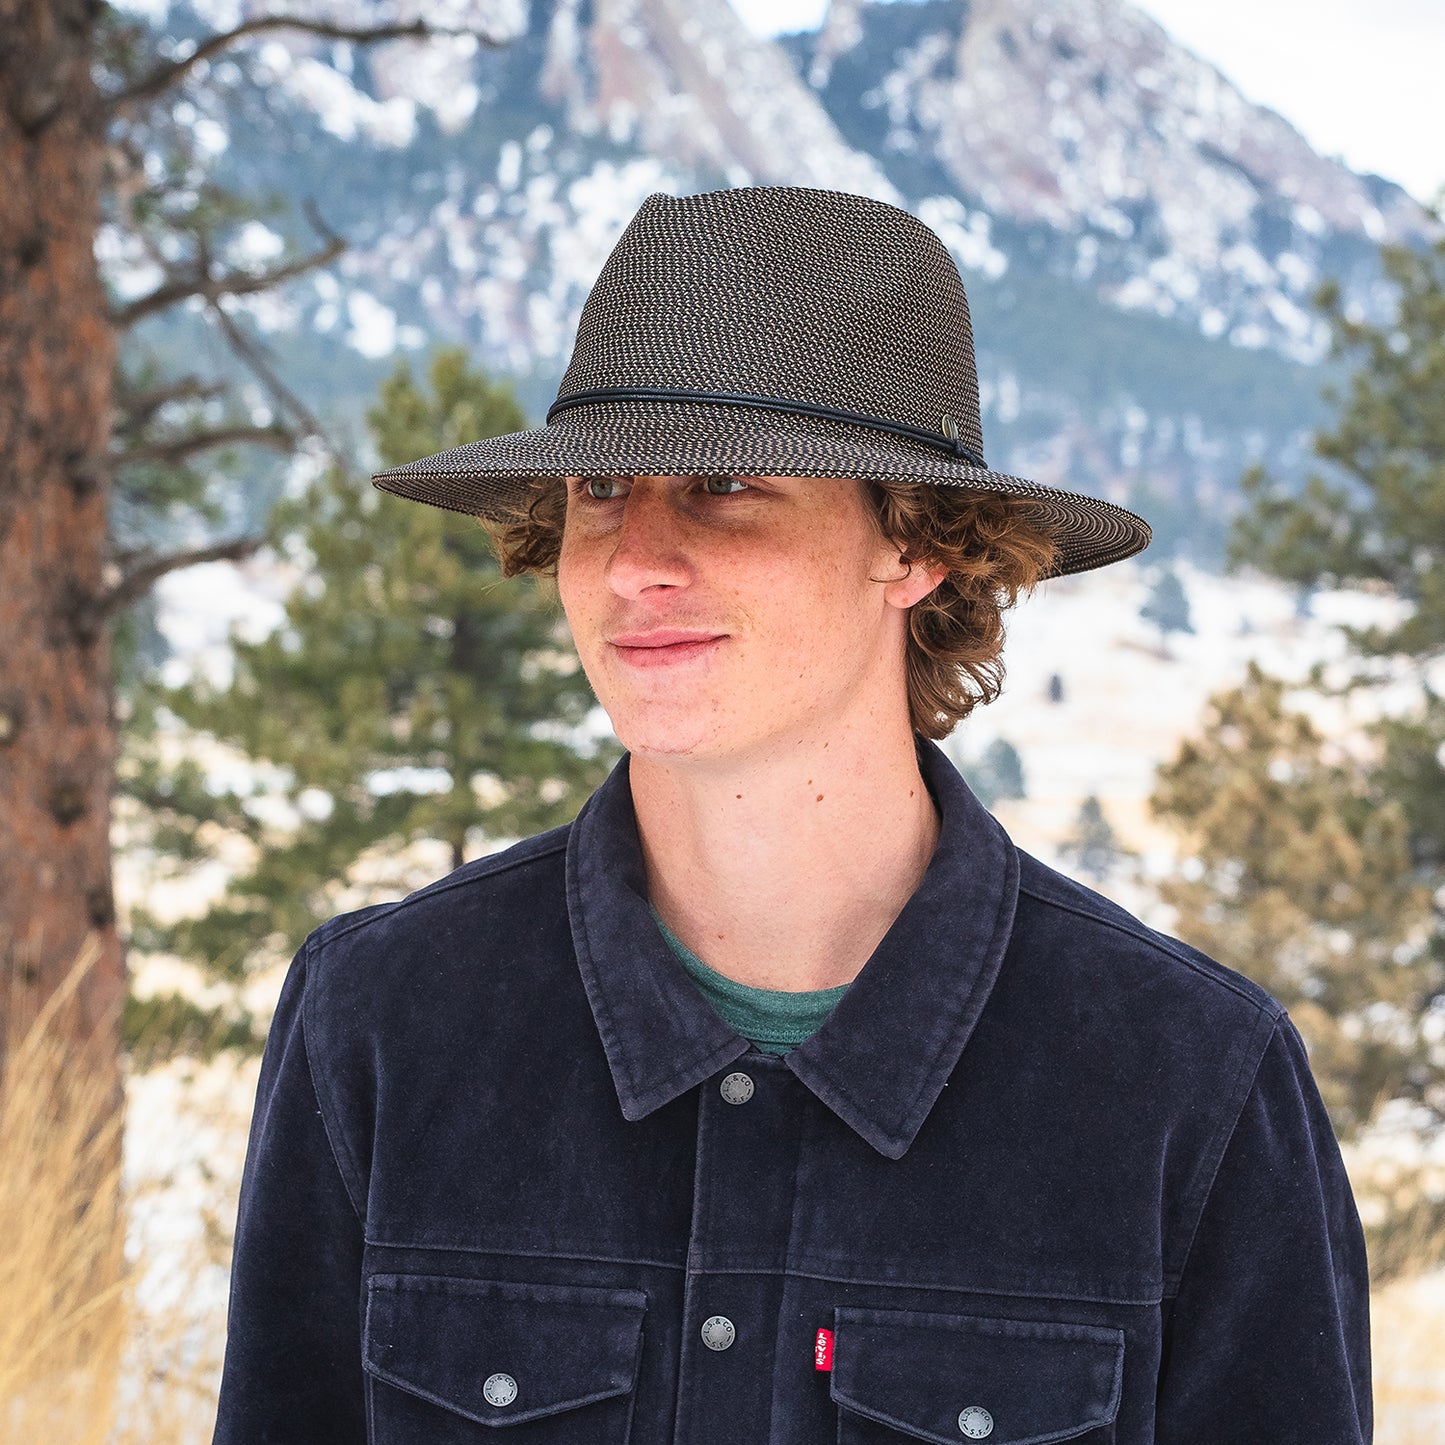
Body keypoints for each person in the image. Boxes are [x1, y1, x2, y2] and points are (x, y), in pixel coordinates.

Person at [213, 185, 1372, 1443]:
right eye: (600, 486)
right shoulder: (381, 1019)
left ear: (916, 545)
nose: (633, 557)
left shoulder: (1187, 1081)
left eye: (722, 483)